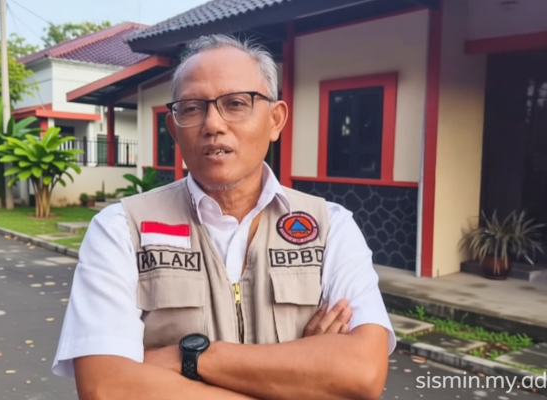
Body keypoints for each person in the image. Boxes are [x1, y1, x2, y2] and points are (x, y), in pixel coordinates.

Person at [52, 34, 396, 400]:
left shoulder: (330, 227)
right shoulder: (121, 229)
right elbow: (106, 387)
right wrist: (303, 376)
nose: (213, 124)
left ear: (275, 120)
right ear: (174, 129)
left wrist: (192, 357)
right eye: (192, 108)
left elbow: (363, 372)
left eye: (235, 103)